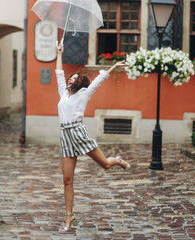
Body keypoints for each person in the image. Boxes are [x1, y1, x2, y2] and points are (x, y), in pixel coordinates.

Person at [56, 44, 131, 233]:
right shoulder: (63, 94)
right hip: (65, 136)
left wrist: (114, 67)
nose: (70, 79)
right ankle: (69, 216)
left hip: (78, 133)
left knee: (105, 164)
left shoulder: (84, 94)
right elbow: (58, 72)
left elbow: (98, 81)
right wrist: (59, 53)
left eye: (74, 78)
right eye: (70, 77)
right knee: (67, 179)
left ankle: (118, 160)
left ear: (79, 83)